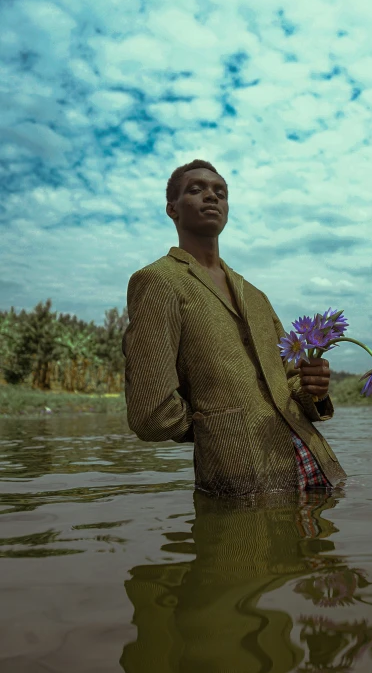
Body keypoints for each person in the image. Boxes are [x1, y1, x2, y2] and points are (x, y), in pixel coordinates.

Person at [122, 159, 347, 495]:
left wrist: (312, 387)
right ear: (172, 209)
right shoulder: (159, 281)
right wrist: (217, 428)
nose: (211, 197)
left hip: (317, 467)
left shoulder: (253, 294)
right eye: (196, 190)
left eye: (220, 193)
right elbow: (150, 412)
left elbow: (289, 381)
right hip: (240, 480)